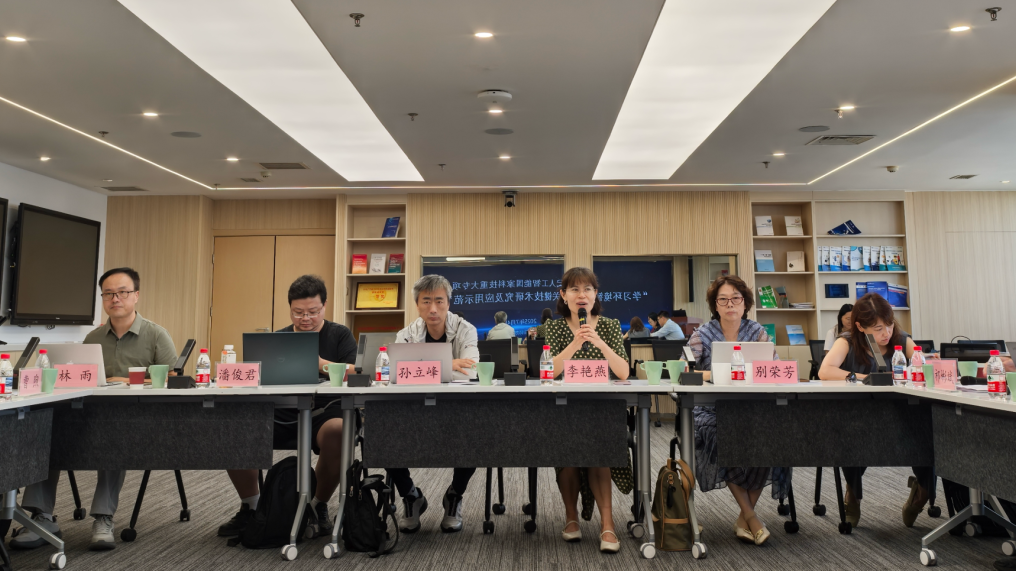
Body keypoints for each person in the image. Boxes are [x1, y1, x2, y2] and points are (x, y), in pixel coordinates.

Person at [12, 268, 177, 551]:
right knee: (47, 431)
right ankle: (42, 517)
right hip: (88, 413)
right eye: (108, 293)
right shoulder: (93, 337)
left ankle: (103, 517)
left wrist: (126, 380)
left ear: (136, 295)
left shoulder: (156, 335)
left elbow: (173, 379)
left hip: (133, 416)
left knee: (113, 436)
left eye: (122, 292)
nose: (115, 299)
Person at [219, 275, 356, 539]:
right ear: (290, 308)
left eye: (313, 312)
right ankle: (253, 507)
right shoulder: (277, 339)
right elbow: (256, 376)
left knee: (340, 431)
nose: (306, 318)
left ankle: (317, 505)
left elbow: (355, 372)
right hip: (280, 410)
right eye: (298, 312)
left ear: (325, 306)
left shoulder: (339, 335)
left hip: (326, 409)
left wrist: (317, 363)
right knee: (234, 427)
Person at [687, 275, 787, 547]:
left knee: (773, 434)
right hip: (711, 409)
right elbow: (685, 369)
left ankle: (745, 517)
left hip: (752, 408)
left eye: (735, 298)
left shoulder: (757, 332)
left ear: (745, 303)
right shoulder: (702, 334)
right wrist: (719, 374)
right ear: (715, 305)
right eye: (723, 299)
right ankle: (751, 517)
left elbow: (775, 368)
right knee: (720, 435)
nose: (730, 304)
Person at [818, 292, 932, 529]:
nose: (886, 333)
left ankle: (921, 494)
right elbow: (825, 371)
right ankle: (852, 493)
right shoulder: (847, 341)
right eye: (878, 328)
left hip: (902, 415)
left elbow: (925, 367)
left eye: (889, 325)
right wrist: (865, 378)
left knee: (927, 435)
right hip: (860, 415)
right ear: (860, 326)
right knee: (853, 435)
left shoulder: (901, 338)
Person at [543, 267, 631, 553]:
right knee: (566, 444)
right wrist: (575, 343)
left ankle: (608, 523)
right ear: (563, 295)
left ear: (595, 295)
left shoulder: (610, 325)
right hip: (564, 409)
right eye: (574, 289)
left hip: (601, 409)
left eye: (587, 289)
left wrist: (598, 341)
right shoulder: (554, 328)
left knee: (599, 445)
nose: (581, 295)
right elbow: (548, 372)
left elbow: (623, 373)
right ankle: (571, 517)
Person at [388, 275, 479, 534]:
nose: (433, 308)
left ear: (448, 303)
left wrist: (419, 367)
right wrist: (448, 364)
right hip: (415, 408)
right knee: (382, 433)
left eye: (439, 301)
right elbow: (394, 371)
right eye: (426, 301)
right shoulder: (407, 334)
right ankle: (410, 495)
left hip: (457, 408)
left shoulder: (466, 329)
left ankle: (454, 495)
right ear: (417, 304)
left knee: (476, 434)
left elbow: (470, 371)